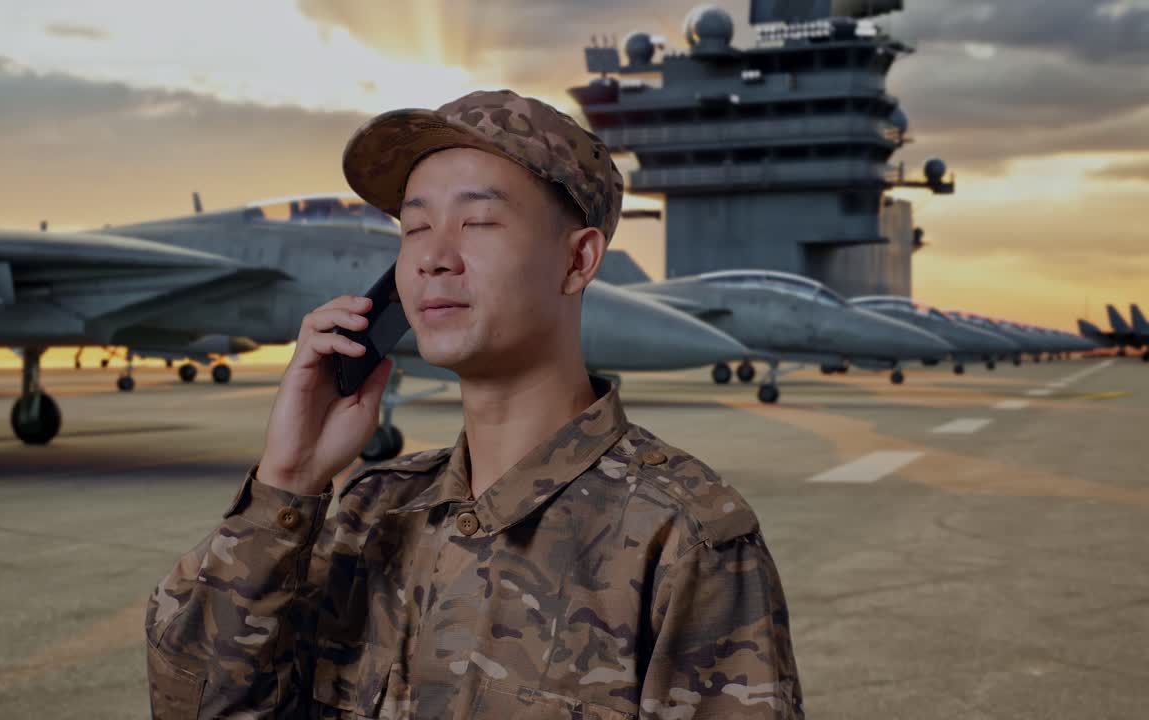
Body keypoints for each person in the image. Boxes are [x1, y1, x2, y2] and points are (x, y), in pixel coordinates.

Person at [146, 89, 803, 719]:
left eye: (480, 221)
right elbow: (202, 705)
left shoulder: (682, 541)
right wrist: (284, 485)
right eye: (413, 228)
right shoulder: (370, 513)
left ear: (578, 262)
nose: (432, 257)